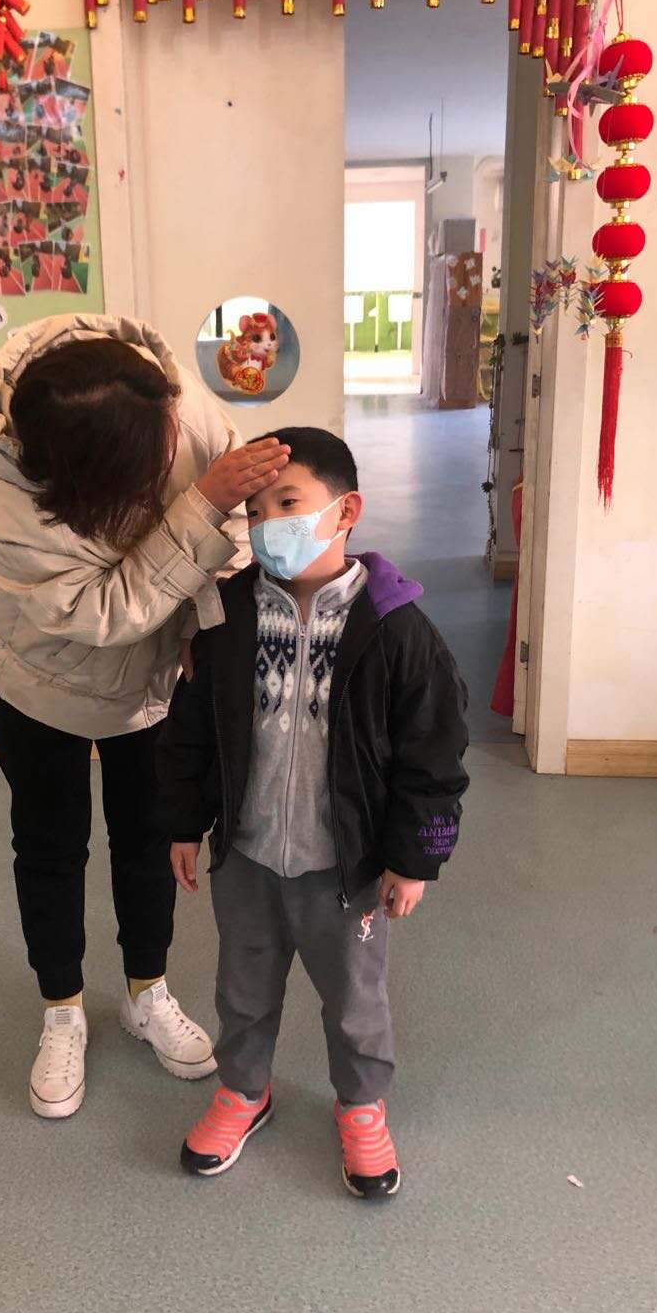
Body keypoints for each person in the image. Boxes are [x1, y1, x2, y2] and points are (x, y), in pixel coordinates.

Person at [0, 314, 290, 1121]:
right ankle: (62, 1010)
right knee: (49, 842)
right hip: (43, 677)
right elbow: (103, 612)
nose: (174, 448)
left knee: (150, 837)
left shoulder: (161, 393)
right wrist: (202, 505)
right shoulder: (4, 490)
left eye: (171, 429)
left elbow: (233, 522)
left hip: (156, 679)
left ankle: (147, 992)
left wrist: (210, 630)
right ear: (87, 473)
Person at [158, 427, 469, 1199]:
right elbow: (193, 726)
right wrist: (183, 822)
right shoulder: (227, 615)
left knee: (355, 1001)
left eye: (288, 503)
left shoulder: (397, 629)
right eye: (255, 512)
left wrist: (414, 859)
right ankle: (244, 1091)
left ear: (346, 510)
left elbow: (433, 758)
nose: (269, 525)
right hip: (249, 856)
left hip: (345, 868)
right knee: (243, 988)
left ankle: (361, 1106)